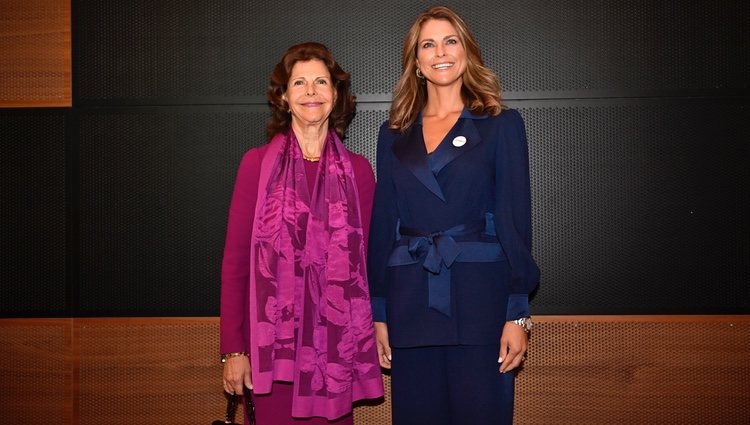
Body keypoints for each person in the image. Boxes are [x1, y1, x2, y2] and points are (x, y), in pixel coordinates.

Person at [367, 6, 540, 425]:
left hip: (481, 297)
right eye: (428, 44)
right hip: (411, 299)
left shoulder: (501, 125)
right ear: (417, 61)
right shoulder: (392, 134)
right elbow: (382, 226)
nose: (440, 52)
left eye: (450, 41)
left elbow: (515, 221)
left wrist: (517, 312)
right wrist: (379, 311)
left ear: (466, 52)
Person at [220, 42, 384, 425]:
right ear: (283, 96)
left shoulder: (359, 172)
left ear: (336, 94)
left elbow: (369, 267)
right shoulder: (256, 165)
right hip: (270, 356)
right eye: (300, 83)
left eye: (321, 82)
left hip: (335, 356)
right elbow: (235, 264)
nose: (311, 92)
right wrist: (233, 350)